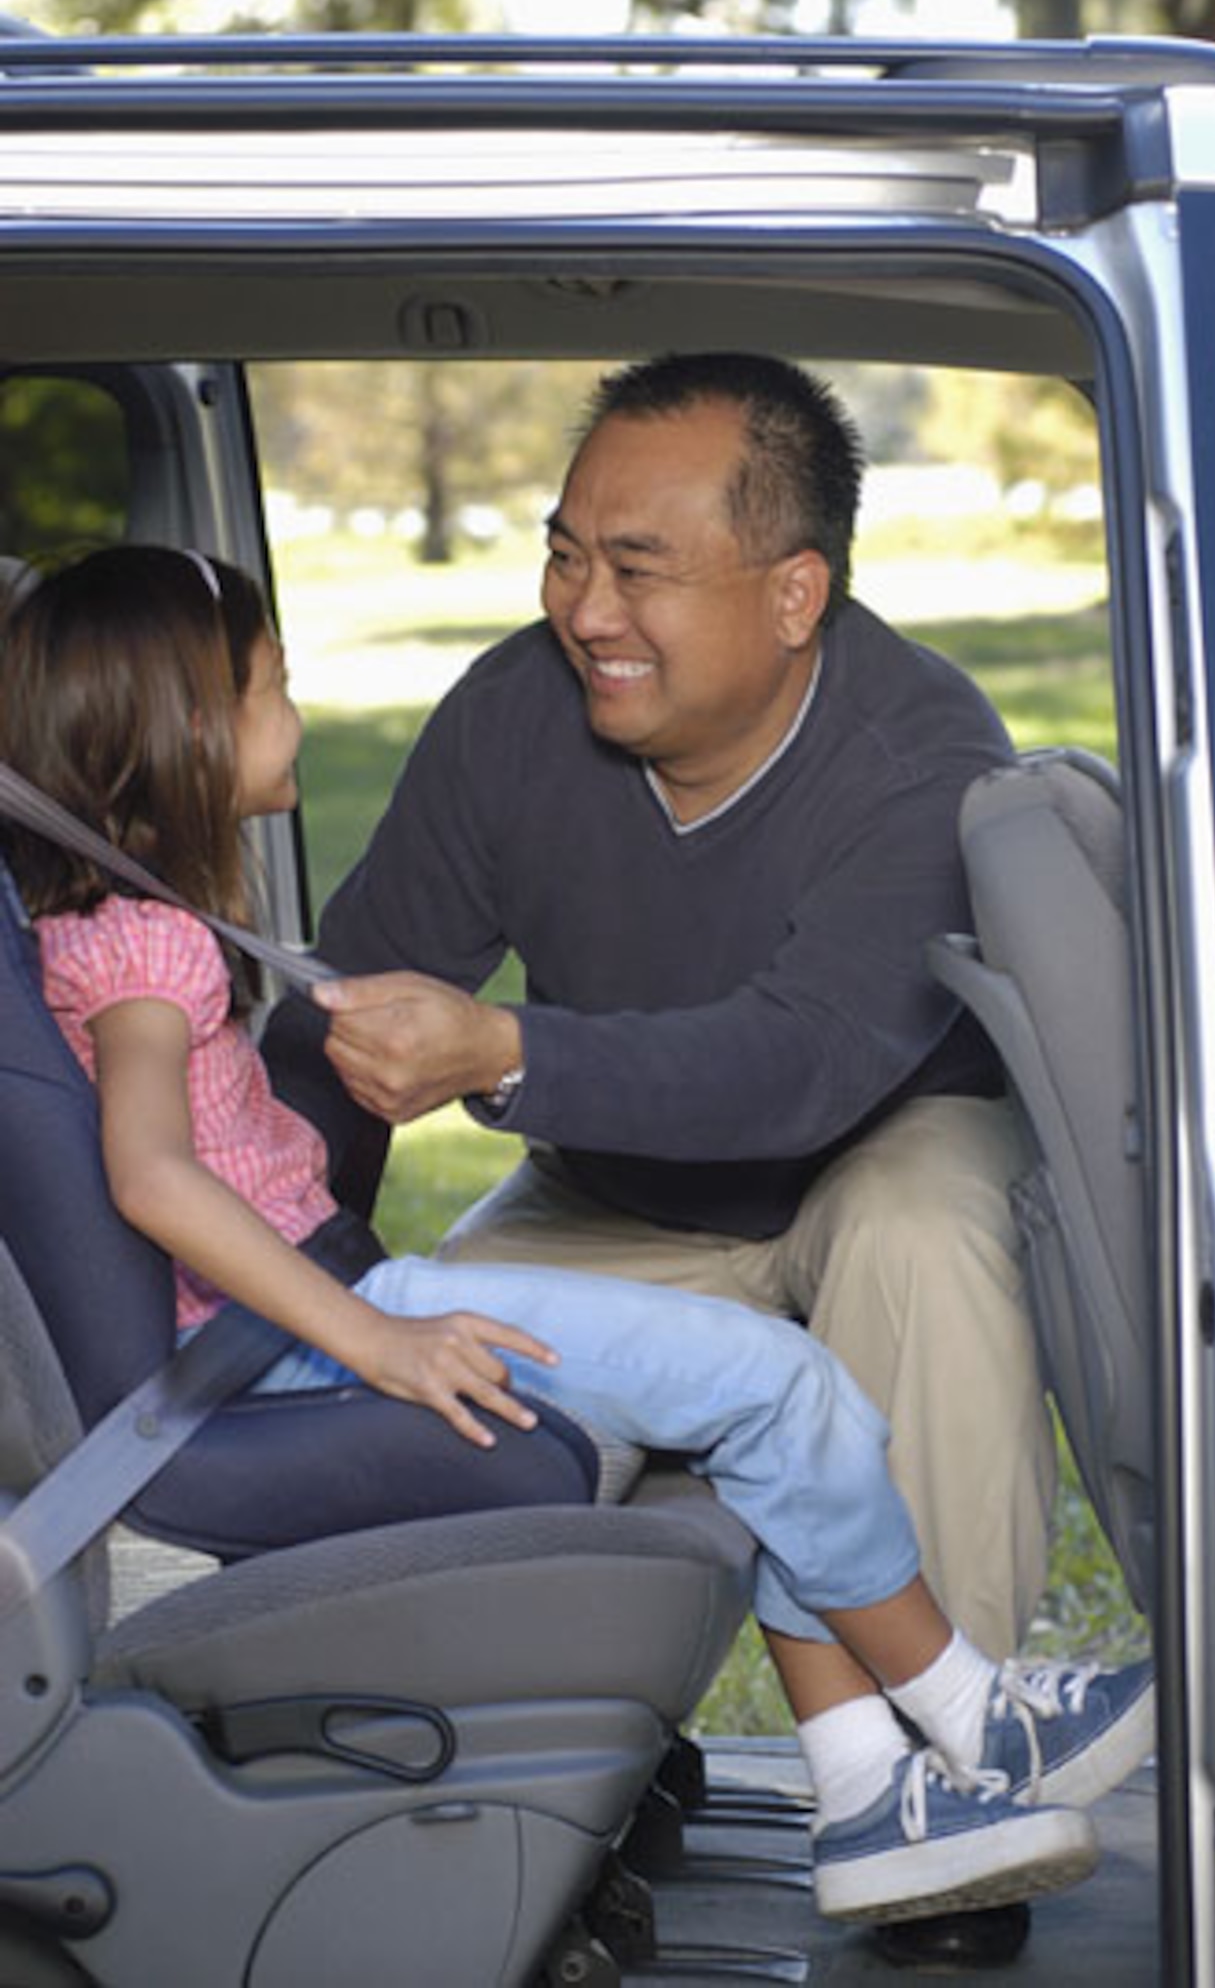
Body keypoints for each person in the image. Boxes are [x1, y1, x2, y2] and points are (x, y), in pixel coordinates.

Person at [0, 543, 1153, 1928]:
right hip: (314, 1325)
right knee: (785, 1387)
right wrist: (378, 1331)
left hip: (303, 1317)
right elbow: (152, 1178)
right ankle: (978, 1719)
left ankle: (862, 1794)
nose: (295, 718)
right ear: (187, 733)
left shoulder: (101, 935)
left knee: (763, 1408)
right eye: (273, 689)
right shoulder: (150, 953)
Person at [271, 351, 1057, 1664]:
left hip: (878, 1147)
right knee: (411, 1360)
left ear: (795, 593)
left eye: (638, 571)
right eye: (566, 557)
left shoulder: (926, 754)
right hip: (616, 1188)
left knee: (922, 1237)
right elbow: (336, 1017)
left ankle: (949, 1782)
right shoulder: (512, 716)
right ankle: (536, 1791)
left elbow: (802, 1062)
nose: (585, 611)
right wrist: (289, 1256)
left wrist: (508, 1050)